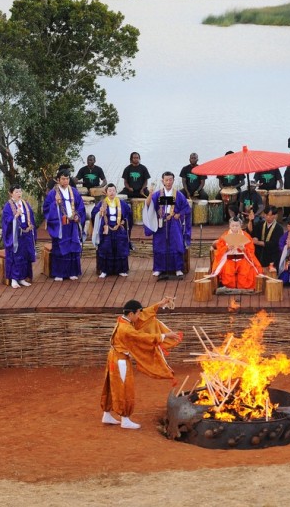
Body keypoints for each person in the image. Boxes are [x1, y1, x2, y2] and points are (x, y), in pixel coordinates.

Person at [100, 297, 182, 430]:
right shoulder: (126, 329)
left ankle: (107, 414)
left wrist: (159, 304)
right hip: (120, 360)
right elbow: (143, 337)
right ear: (131, 314)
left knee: (110, 385)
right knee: (124, 387)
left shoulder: (123, 320)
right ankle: (125, 419)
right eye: (137, 313)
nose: (139, 316)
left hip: (113, 357)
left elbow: (144, 314)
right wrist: (164, 336)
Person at [144, 171, 191, 278]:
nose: (168, 182)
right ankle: (159, 268)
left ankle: (178, 268)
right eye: (166, 180)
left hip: (174, 222)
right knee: (160, 244)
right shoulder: (157, 194)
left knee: (176, 244)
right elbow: (148, 205)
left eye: (170, 180)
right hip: (161, 222)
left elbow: (187, 208)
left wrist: (179, 214)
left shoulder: (178, 195)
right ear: (163, 181)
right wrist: (150, 194)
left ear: (173, 181)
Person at [43, 168, 85, 281]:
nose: (65, 181)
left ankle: (72, 272)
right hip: (60, 225)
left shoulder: (74, 191)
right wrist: (55, 204)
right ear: (58, 180)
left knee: (73, 246)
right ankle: (59, 273)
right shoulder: (53, 193)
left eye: (67, 179)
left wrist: (78, 216)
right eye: (63, 179)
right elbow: (46, 208)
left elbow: (80, 206)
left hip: (72, 224)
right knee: (60, 247)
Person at [91, 183, 133, 278]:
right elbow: (94, 215)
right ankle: (105, 270)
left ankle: (121, 270)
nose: (112, 192)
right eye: (109, 191)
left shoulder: (122, 203)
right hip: (107, 229)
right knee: (106, 249)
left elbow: (129, 215)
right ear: (106, 192)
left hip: (119, 228)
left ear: (116, 192)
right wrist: (100, 213)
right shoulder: (102, 203)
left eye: (113, 190)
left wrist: (124, 221)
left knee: (120, 249)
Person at [211, 218, 263, 291]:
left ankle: (242, 286)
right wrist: (227, 248)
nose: (235, 227)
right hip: (228, 257)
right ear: (229, 226)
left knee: (246, 270)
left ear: (240, 226)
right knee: (228, 270)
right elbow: (219, 249)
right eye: (233, 226)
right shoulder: (224, 236)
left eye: (237, 226)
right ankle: (229, 286)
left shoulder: (246, 236)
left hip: (243, 256)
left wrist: (244, 249)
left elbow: (251, 250)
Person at [1, 184, 37, 288]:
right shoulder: (8, 206)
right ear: (11, 193)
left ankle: (22, 278)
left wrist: (31, 228)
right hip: (15, 235)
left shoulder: (25, 204)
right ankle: (14, 279)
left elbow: (31, 217)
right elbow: (6, 221)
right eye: (16, 192)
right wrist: (15, 216)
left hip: (26, 234)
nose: (19, 194)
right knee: (15, 256)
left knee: (25, 256)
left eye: (20, 191)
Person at [247, 206, 283, 270]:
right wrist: (250, 221)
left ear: (275, 216)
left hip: (271, 256)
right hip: (259, 254)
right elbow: (252, 232)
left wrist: (258, 242)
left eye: (271, 215)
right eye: (267, 215)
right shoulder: (260, 224)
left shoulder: (279, 228)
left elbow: (274, 244)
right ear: (264, 215)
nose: (268, 217)